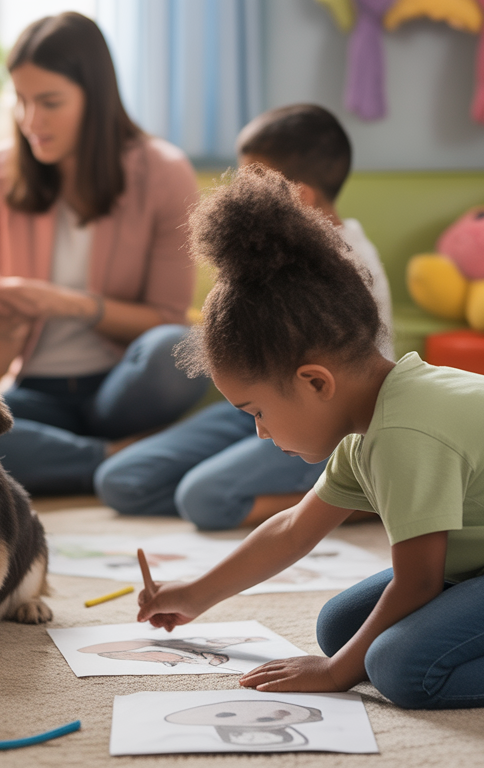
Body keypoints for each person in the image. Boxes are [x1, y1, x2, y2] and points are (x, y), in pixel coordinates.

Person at [136, 166, 484, 709]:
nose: (259, 433)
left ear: (315, 382)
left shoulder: (405, 432)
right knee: (339, 628)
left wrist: (337, 676)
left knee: (400, 670)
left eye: (256, 412)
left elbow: (417, 583)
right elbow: (292, 529)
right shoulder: (369, 422)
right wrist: (196, 594)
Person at [0, 12, 208, 495]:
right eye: (20, 100)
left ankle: (69, 458)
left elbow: (166, 317)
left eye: (50, 102)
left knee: (178, 351)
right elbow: (2, 333)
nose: (30, 120)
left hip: (121, 386)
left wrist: (69, 304)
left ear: (95, 99)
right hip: (36, 390)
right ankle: (120, 458)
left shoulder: (164, 171)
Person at [95, 104, 393, 530]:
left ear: (300, 196)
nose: (240, 190)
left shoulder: (344, 261)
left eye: (253, 179)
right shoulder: (274, 256)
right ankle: (241, 478)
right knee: (122, 481)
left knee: (204, 500)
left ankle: (360, 497)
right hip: (260, 406)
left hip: (324, 418)